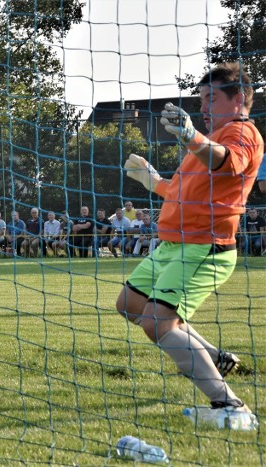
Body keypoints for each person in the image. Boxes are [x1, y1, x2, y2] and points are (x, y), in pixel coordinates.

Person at [120, 62, 264, 421]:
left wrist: (192, 138)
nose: (202, 107)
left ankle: (230, 406)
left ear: (239, 99)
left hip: (205, 247)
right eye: (200, 99)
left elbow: (228, 164)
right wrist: (152, 180)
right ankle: (214, 356)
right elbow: (183, 192)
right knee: (129, 305)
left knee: (157, 322)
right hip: (173, 245)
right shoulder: (207, 142)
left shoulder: (241, 132)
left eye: (210, 98)